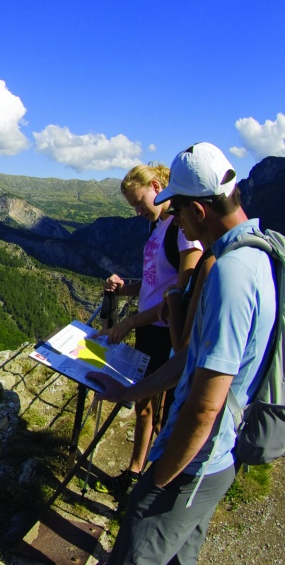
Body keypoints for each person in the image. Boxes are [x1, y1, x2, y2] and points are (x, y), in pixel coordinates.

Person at [91, 142, 277, 565]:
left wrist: (160, 478)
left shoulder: (229, 274)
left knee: (134, 552)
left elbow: (204, 405)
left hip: (196, 461)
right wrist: (128, 394)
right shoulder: (258, 253)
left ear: (199, 210)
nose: (172, 218)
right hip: (213, 458)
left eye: (176, 209)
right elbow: (190, 361)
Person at [96, 163, 202, 492]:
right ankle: (135, 471)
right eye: (133, 206)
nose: (138, 210)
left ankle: (155, 481)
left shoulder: (182, 230)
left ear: (156, 186)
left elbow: (180, 297)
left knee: (163, 410)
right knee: (144, 406)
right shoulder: (158, 227)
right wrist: (126, 287)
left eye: (139, 202)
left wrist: (129, 322)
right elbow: (156, 283)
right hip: (149, 328)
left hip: (166, 334)